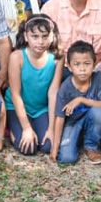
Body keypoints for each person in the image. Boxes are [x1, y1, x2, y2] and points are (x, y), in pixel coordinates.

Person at [4, 14, 64, 156]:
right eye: (35, 36)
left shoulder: (57, 57)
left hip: (41, 107)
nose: (40, 42)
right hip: (17, 105)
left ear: (52, 36)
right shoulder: (17, 57)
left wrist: (51, 128)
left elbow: (53, 93)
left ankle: (36, 126)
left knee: (47, 146)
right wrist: (26, 128)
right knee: (28, 148)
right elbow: (16, 94)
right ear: (26, 36)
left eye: (45, 36)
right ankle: (12, 129)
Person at [50, 41, 101, 165]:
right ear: (69, 66)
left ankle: (91, 146)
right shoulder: (65, 87)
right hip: (72, 123)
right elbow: (60, 118)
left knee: (97, 112)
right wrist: (55, 148)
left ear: (94, 64)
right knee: (67, 159)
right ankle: (77, 138)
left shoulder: (98, 79)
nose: (82, 69)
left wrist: (80, 100)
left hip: (91, 119)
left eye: (87, 64)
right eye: (77, 64)